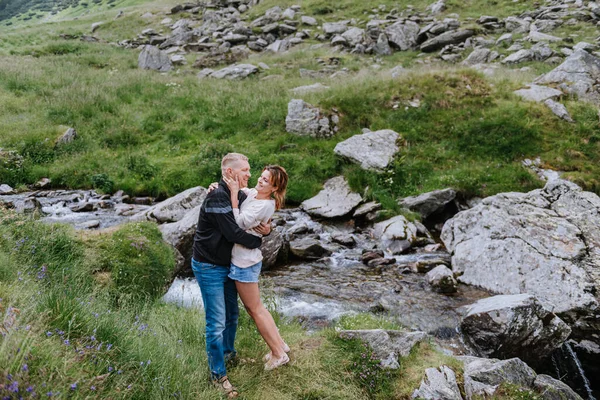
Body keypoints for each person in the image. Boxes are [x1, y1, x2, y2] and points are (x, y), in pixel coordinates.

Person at [192, 153, 271, 398]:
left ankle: (228, 355)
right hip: (208, 266)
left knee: (232, 315)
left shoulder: (236, 193)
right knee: (216, 322)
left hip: (227, 264)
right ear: (229, 172)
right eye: (245, 170)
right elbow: (233, 233)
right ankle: (218, 375)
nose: (249, 174)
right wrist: (259, 241)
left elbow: (258, 212)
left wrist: (268, 229)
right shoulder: (217, 196)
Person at [222, 165, 290, 371]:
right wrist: (220, 186)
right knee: (258, 308)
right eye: (261, 177)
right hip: (246, 259)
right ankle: (280, 345)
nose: (260, 181)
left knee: (255, 309)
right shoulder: (255, 194)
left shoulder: (264, 205)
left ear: (275, 188)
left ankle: (278, 354)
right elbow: (242, 190)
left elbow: (239, 223)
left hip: (245, 262)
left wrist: (233, 196)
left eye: (266, 181)